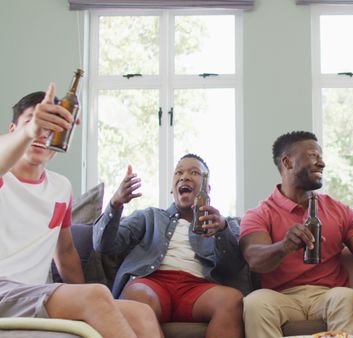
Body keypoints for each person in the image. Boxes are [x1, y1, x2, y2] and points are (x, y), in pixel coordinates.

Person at [0, 85, 162, 338]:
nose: (42, 134)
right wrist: (29, 132)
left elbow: (65, 253)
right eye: (34, 123)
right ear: (13, 131)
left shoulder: (60, 188)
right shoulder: (3, 177)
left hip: (34, 294)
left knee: (141, 314)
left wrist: (87, 301)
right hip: (3, 292)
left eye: (50, 128)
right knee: (97, 295)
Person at [240, 131, 353, 337]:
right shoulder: (259, 213)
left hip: (328, 294)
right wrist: (284, 246)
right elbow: (255, 259)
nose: (322, 163)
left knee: (346, 297)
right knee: (255, 302)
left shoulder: (340, 211)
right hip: (280, 296)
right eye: (313, 156)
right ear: (287, 162)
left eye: (320, 157)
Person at [93, 153, 245, 338]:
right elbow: (103, 246)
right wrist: (115, 203)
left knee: (232, 300)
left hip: (197, 289)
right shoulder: (149, 217)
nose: (185, 176)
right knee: (138, 296)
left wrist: (222, 230)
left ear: (207, 188)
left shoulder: (223, 224)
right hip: (152, 282)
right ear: (173, 189)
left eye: (194, 172)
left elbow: (233, 268)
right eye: (178, 172)